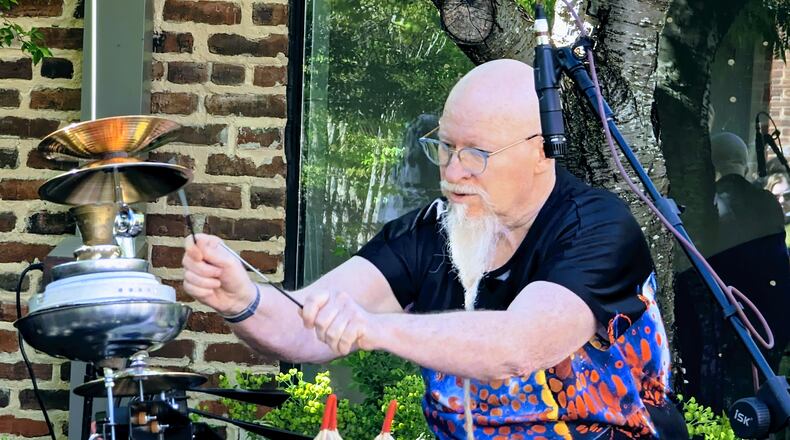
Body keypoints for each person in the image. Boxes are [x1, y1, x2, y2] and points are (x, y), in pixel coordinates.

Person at [182, 59, 685, 439]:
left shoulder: (598, 227)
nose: (451, 171)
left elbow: (518, 348)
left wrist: (374, 328)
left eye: (476, 154)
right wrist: (241, 300)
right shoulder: (429, 231)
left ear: (540, 152)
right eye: (444, 146)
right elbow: (303, 322)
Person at [675, 132, 790, 418]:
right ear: (745, 162)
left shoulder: (712, 204)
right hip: (769, 314)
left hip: (729, 313)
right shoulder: (765, 201)